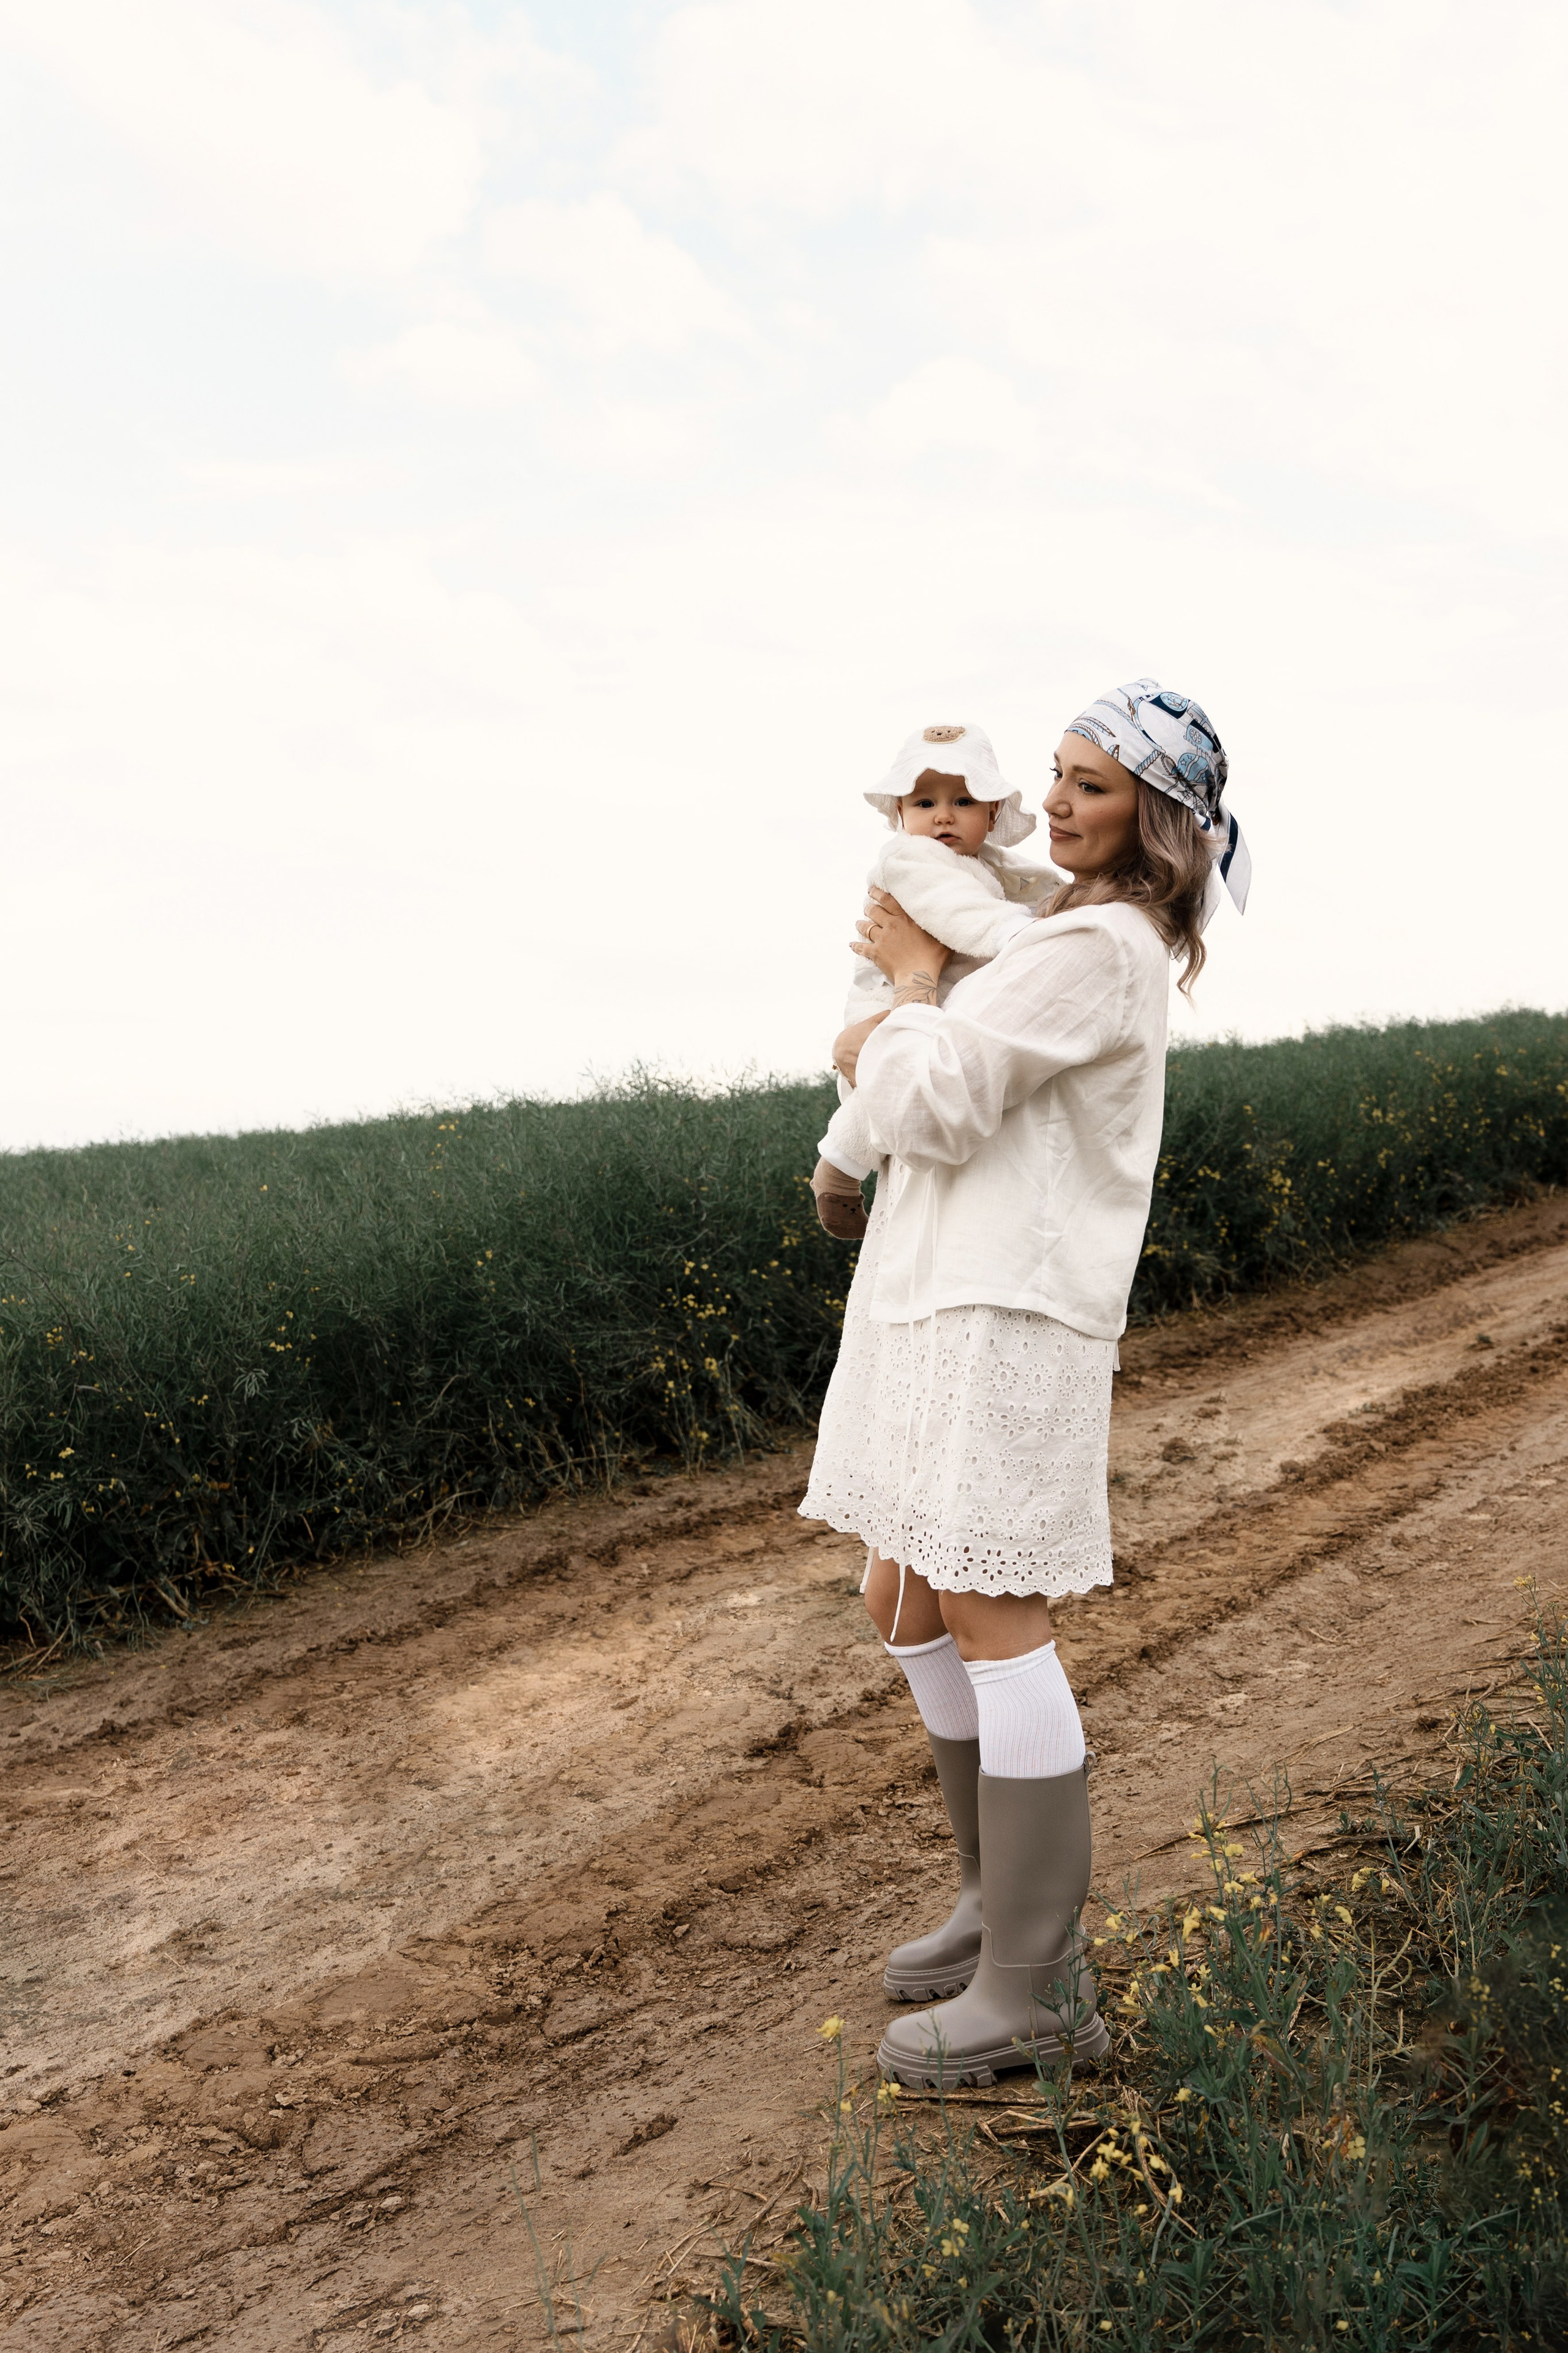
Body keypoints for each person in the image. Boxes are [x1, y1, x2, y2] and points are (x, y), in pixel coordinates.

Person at [801, 679, 1250, 2086]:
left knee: (992, 1609)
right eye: (1051, 773)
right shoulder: (1057, 927)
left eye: (1092, 783)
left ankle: (1036, 1978)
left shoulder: (1101, 945)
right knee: (904, 1592)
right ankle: (996, 1902)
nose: (1054, 800)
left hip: (1005, 1309)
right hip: (938, 1289)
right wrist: (891, 1033)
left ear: (1157, 823)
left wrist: (909, 999)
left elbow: (931, 1097)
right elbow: (914, 1090)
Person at [816, 725, 1057, 1241]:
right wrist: (1016, 931)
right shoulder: (913, 860)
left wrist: (1056, 907)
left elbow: (1027, 881)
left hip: (936, 1000)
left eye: (963, 800)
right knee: (887, 1087)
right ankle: (837, 1169)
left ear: (992, 814)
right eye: (925, 802)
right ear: (900, 814)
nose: (944, 815)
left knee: (917, 1080)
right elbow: (957, 910)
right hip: (885, 1003)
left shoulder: (983, 863)